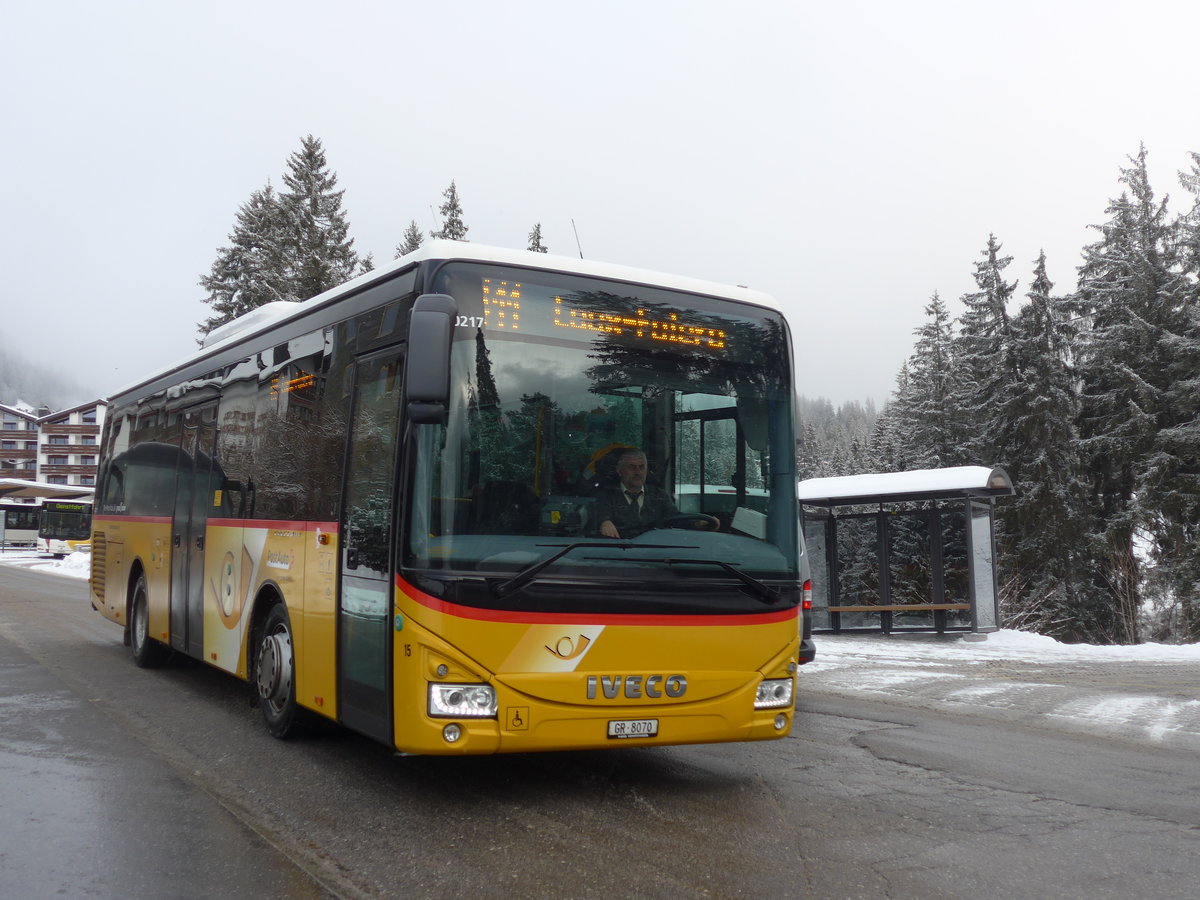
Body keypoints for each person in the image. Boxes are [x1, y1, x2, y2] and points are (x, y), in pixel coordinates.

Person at [594, 448, 680, 538]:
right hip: (619, 549)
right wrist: (604, 522)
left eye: (642, 467)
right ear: (619, 471)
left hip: (654, 549)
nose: (638, 472)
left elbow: (676, 519)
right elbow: (596, 515)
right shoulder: (605, 496)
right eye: (632, 467)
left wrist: (694, 524)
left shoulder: (659, 496)